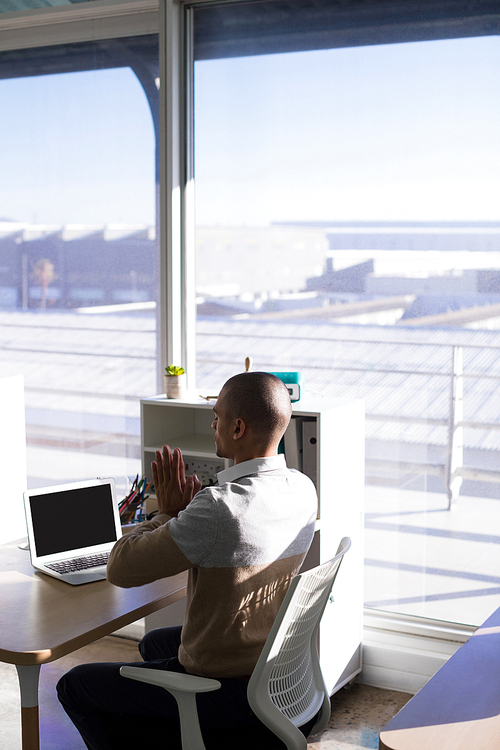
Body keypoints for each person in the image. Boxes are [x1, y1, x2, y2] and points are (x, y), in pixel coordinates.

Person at [57, 372, 318, 750]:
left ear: (238, 427)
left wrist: (165, 513)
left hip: (228, 694)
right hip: (277, 675)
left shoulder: (219, 508)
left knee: (75, 685)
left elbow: (120, 569)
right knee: (154, 643)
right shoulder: (302, 488)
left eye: (217, 416)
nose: (213, 424)